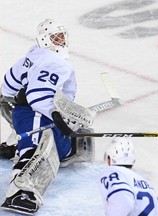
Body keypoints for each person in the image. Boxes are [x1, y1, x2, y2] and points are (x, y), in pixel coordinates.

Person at [0, 19, 83, 215]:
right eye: (56, 37)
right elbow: (38, 97)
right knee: (35, 147)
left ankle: (14, 146)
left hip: (27, 112)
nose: (61, 41)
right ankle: (20, 193)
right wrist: (59, 117)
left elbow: (8, 86)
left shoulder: (30, 57)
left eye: (62, 36)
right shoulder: (55, 62)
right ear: (44, 39)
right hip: (35, 112)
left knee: (50, 145)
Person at [98, 138, 158, 216]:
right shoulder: (145, 183)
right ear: (133, 161)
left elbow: (124, 200)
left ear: (109, 159)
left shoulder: (112, 173)